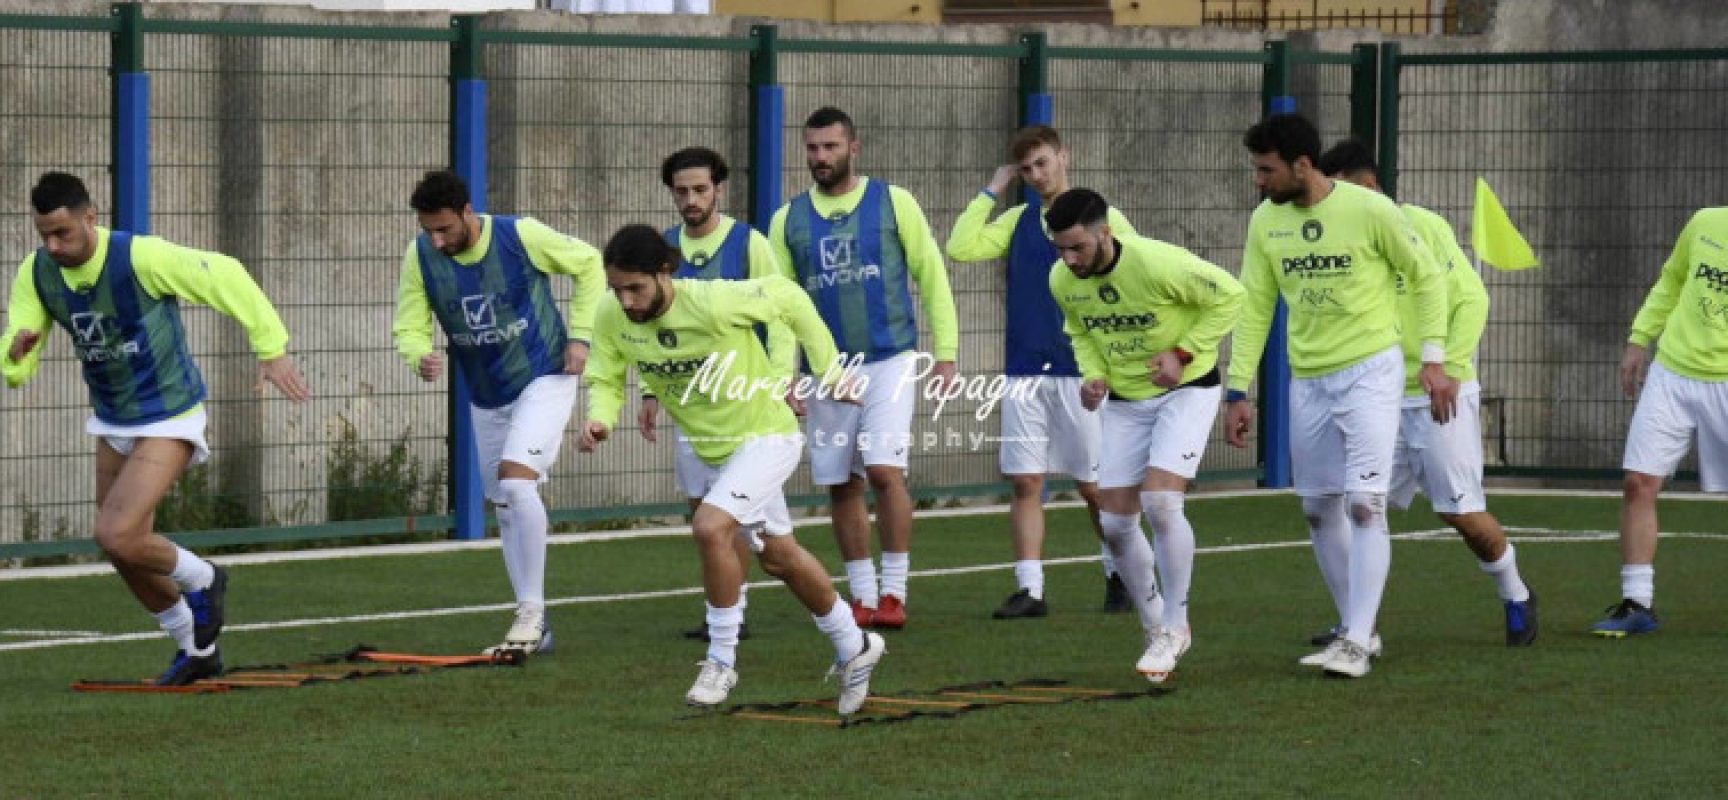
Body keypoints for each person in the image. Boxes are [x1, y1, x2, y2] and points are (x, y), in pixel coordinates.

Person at [1, 171, 311, 685]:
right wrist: (15, 355)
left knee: (114, 532)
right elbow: (20, 341)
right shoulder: (36, 273)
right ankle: (195, 649)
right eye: (44, 236)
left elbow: (227, 275)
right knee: (122, 548)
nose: (53, 246)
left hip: (169, 413)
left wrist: (271, 347)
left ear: (90, 218)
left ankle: (206, 578)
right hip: (113, 418)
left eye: (63, 233)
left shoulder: (141, 257)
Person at [581, 224, 885, 714]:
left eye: (634, 287)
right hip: (717, 451)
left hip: (767, 435)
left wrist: (827, 370)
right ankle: (856, 645)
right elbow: (605, 373)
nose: (626, 301)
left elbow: (788, 297)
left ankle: (721, 658)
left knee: (709, 526)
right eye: (617, 289)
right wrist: (599, 417)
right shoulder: (612, 316)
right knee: (779, 557)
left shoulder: (712, 301)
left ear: (664, 272)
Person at [1224, 113, 1452, 679]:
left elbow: (1426, 276)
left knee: (1364, 503)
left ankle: (1353, 641)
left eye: (1266, 170)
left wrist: (1433, 356)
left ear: (1303, 166)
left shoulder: (1371, 210)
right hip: (1309, 380)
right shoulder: (1264, 223)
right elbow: (1255, 305)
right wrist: (1237, 388)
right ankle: (1360, 629)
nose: (1259, 180)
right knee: (1317, 506)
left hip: (1370, 373)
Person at [1316, 138, 1537, 647]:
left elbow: (1472, 299)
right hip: (1375, 394)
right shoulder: (1335, 238)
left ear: (1368, 186)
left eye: (1341, 191)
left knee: (1460, 514)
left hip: (1436, 395)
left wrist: (1450, 368)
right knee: (1354, 505)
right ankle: (1356, 624)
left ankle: (1516, 594)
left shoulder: (1423, 226)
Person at [392, 170, 603, 656]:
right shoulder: (420, 255)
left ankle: (529, 613)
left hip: (545, 375)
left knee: (515, 482)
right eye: (429, 230)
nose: (436, 240)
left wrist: (582, 335)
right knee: (506, 503)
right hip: (486, 393)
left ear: (468, 212)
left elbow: (589, 263)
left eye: (444, 228)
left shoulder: (519, 235)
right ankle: (538, 622)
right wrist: (417, 353)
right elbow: (408, 322)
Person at [768, 106, 960, 630]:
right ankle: (863, 595)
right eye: (812, 148)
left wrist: (946, 355)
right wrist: (784, 375)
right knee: (840, 483)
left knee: (881, 469)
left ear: (853, 148)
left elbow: (932, 277)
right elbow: (783, 308)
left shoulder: (894, 202)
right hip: (826, 372)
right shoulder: (787, 220)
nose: (820, 157)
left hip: (890, 359)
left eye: (831, 147)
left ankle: (894, 592)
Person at [1046, 188, 1244, 681]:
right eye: (1061, 250)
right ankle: (1155, 627)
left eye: (1078, 248)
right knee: (1114, 525)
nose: (1069, 260)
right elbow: (1081, 331)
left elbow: (1231, 297)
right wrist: (1093, 375)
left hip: (1188, 390)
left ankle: (1177, 627)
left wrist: (1183, 352)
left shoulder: (1157, 263)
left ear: (1105, 233)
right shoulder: (1061, 279)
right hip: (1125, 403)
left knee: (1161, 502)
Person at [944, 125, 1142, 618]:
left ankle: (1121, 574)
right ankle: (1029, 589)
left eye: (1042, 163)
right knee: (1026, 482)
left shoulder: (1104, 216)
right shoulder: (1017, 219)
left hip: (1083, 372)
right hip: (1024, 371)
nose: (1035, 175)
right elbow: (961, 246)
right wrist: (992, 189)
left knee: (1093, 485)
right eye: (1026, 168)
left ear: (1063, 157)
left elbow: (1136, 272)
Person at [650, 146, 796, 643]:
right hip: (691, 405)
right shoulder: (663, 250)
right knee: (702, 511)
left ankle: (837, 620)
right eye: (681, 191)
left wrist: (778, 379)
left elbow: (779, 315)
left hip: (745, 405)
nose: (690, 200)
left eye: (700, 190)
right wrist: (652, 393)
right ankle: (731, 611)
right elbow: (651, 328)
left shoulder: (748, 243)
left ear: (719, 189)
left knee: (765, 539)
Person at [1594, 206, 1728, 637]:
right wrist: (1639, 338)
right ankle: (1638, 603)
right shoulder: (1705, 222)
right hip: (1673, 372)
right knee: (1639, 482)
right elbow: (1672, 280)